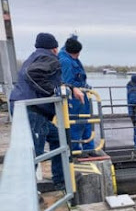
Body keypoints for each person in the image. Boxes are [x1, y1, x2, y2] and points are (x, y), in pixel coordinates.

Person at [9, 32, 65, 190]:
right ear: (54, 48)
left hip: (28, 108)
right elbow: (33, 75)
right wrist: (53, 91)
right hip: (33, 109)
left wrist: (69, 89)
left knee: (59, 139)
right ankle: (26, 193)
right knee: (34, 151)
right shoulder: (50, 58)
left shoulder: (34, 57)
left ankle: (61, 180)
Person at [59, 36, 95, 155]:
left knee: (86, 122)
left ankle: (89, 148)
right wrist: (76, 88)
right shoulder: (66, 61)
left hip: (82, 94)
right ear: (75, 52)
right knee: (76, 123)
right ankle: (75, 151)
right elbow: (66, 82)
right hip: (74, 98)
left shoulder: (69, 57)